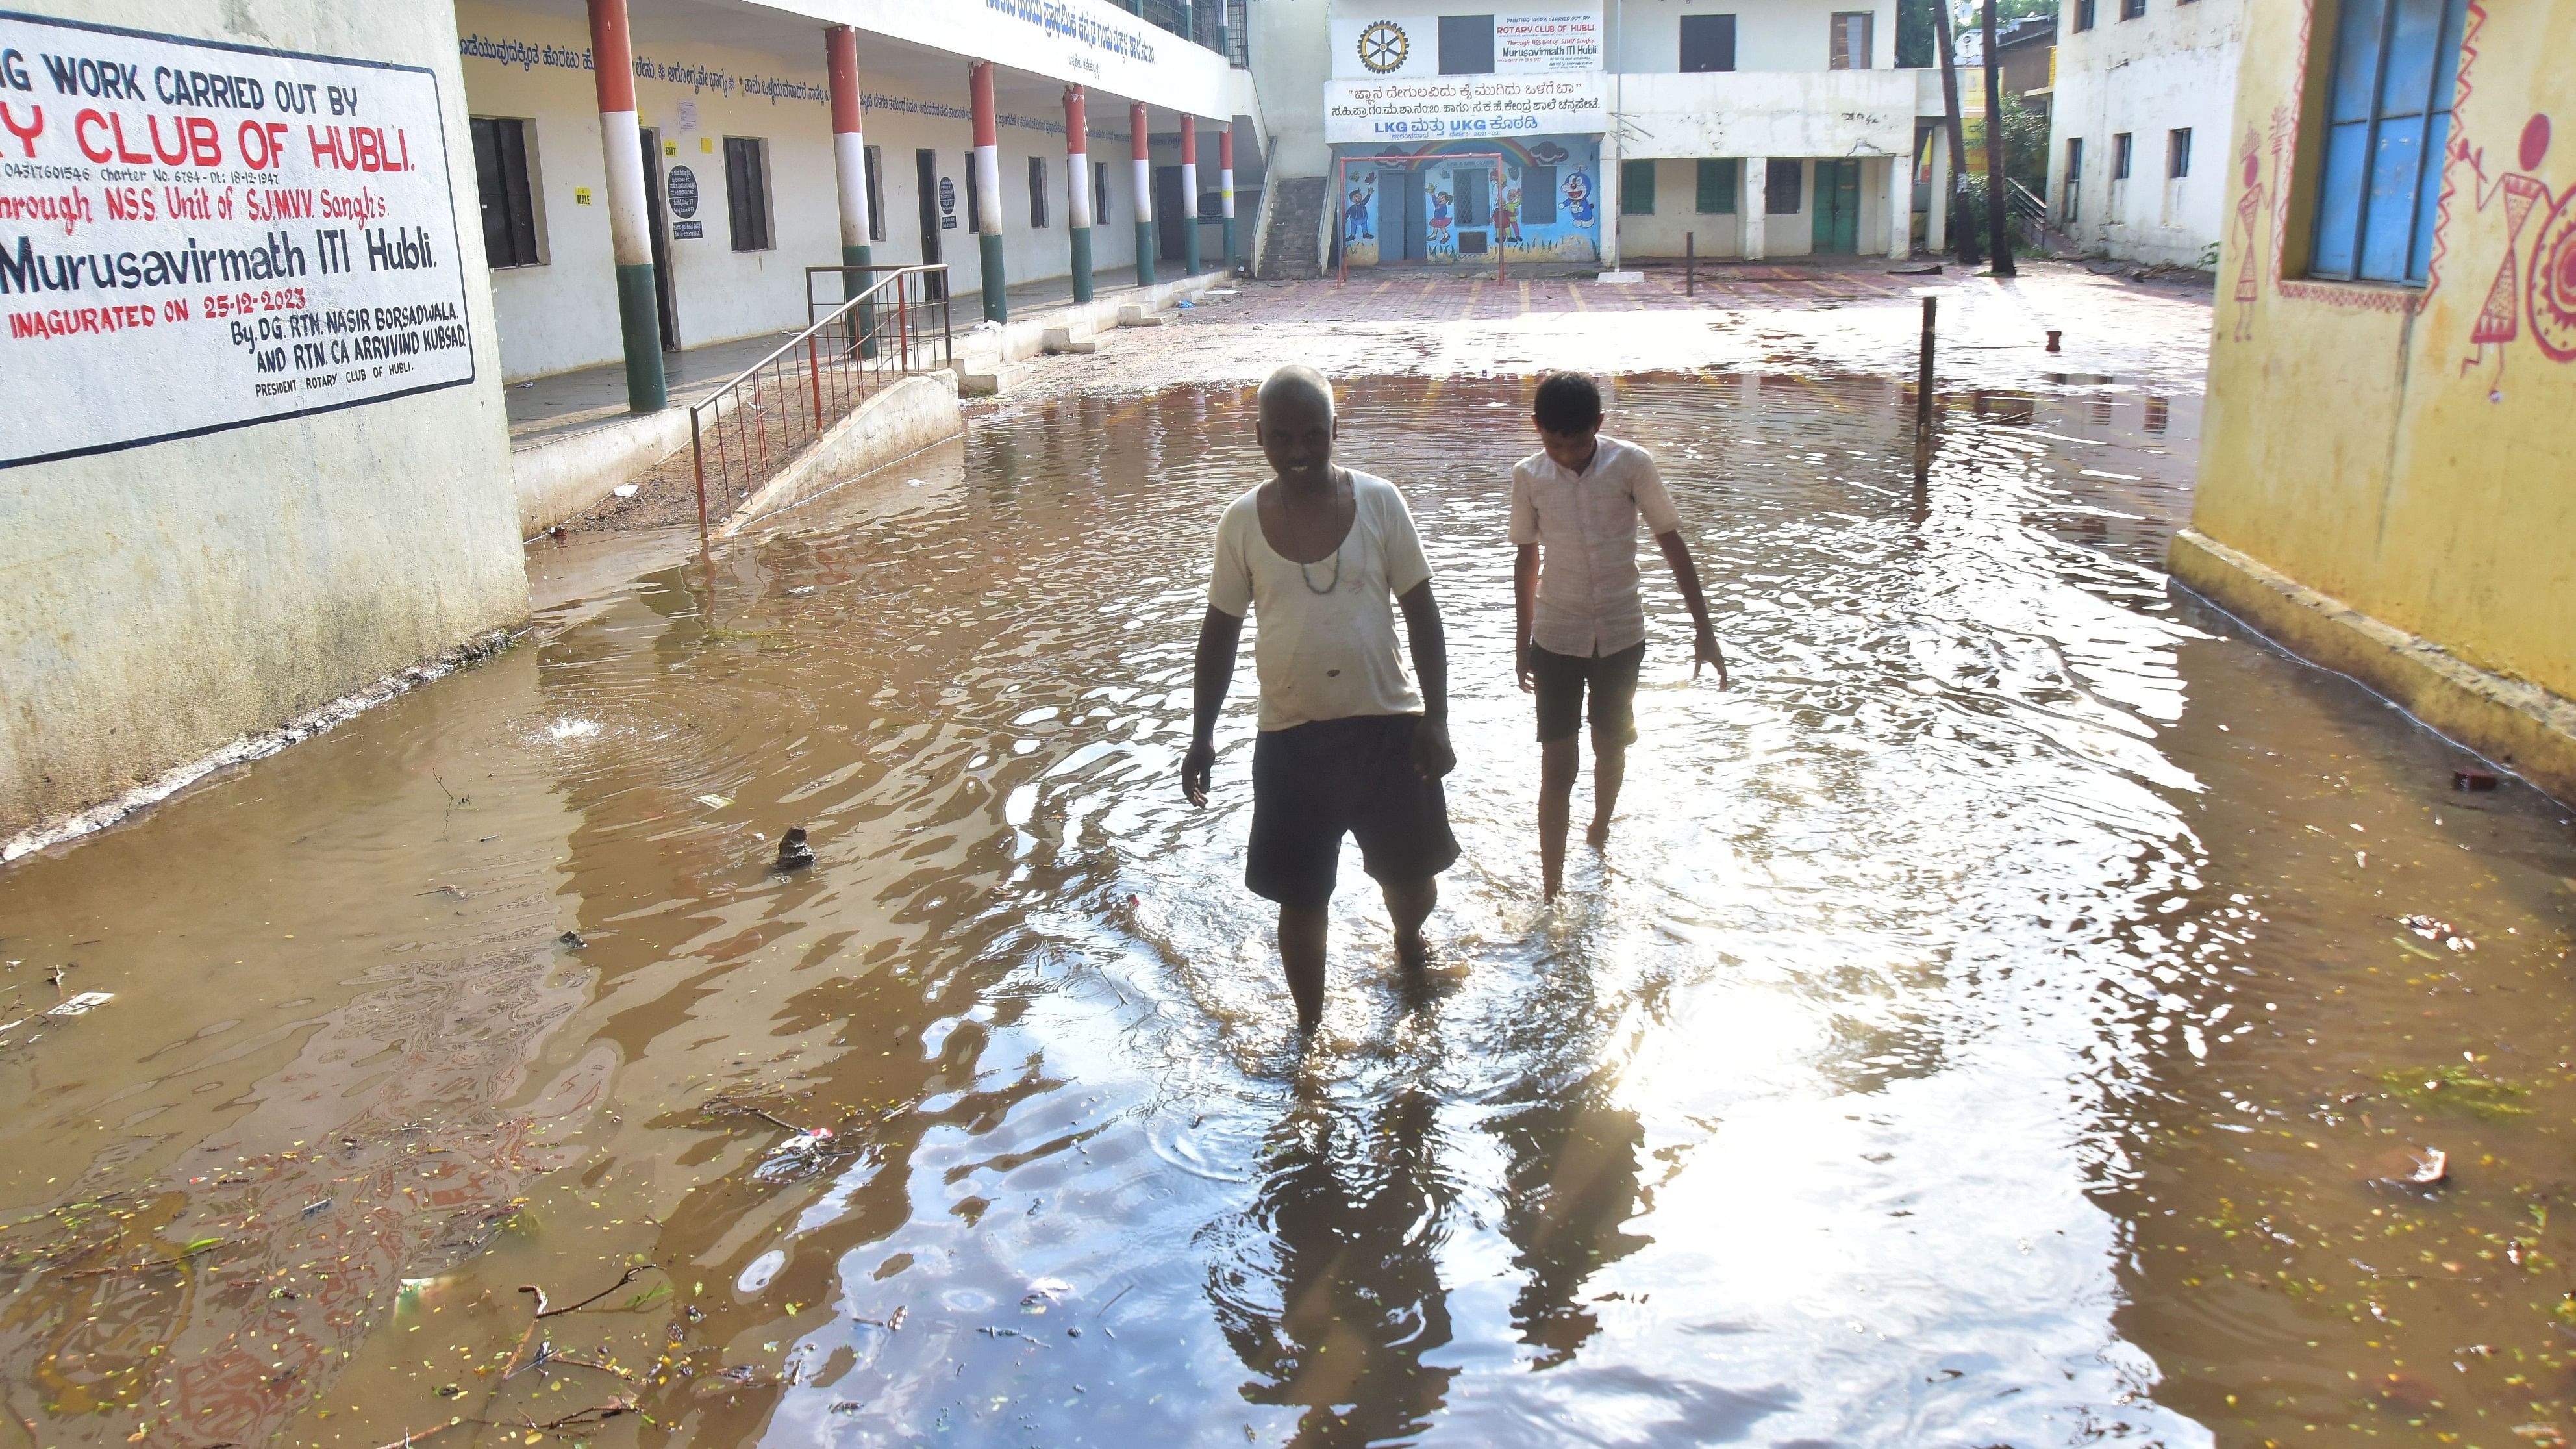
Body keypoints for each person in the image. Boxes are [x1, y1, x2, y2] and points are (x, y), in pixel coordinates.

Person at [1183, 366, 1458, 1035]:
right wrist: (1201, 733)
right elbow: (1219, 632)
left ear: (1337, 431)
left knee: (1412, 881)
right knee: (1302, 899)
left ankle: (1407, 937)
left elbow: (1423, 612)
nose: (1299, 451)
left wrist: (1437, 717)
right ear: (1258, 438)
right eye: (1282, 437)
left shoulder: (1381, 502)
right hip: (1291, 739)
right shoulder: (1240, 523)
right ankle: (1308, 1031)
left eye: (1314, 435)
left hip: (1389, 729)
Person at [1510, 371, 1725, 901]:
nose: (1564, 454)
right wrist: (1522, 641)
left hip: (1622, 632)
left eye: (1576, 443)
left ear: (1598, 427)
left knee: (1610, 744)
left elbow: (1671, 541)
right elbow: (1526, 557)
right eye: (1552, 443)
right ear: (1537, 428)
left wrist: (1705, 631)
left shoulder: (1631, 465)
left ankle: (1600, 828)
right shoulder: (1529, 476)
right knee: (1556, 764)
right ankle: (1550, 888)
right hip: (1556, 635)